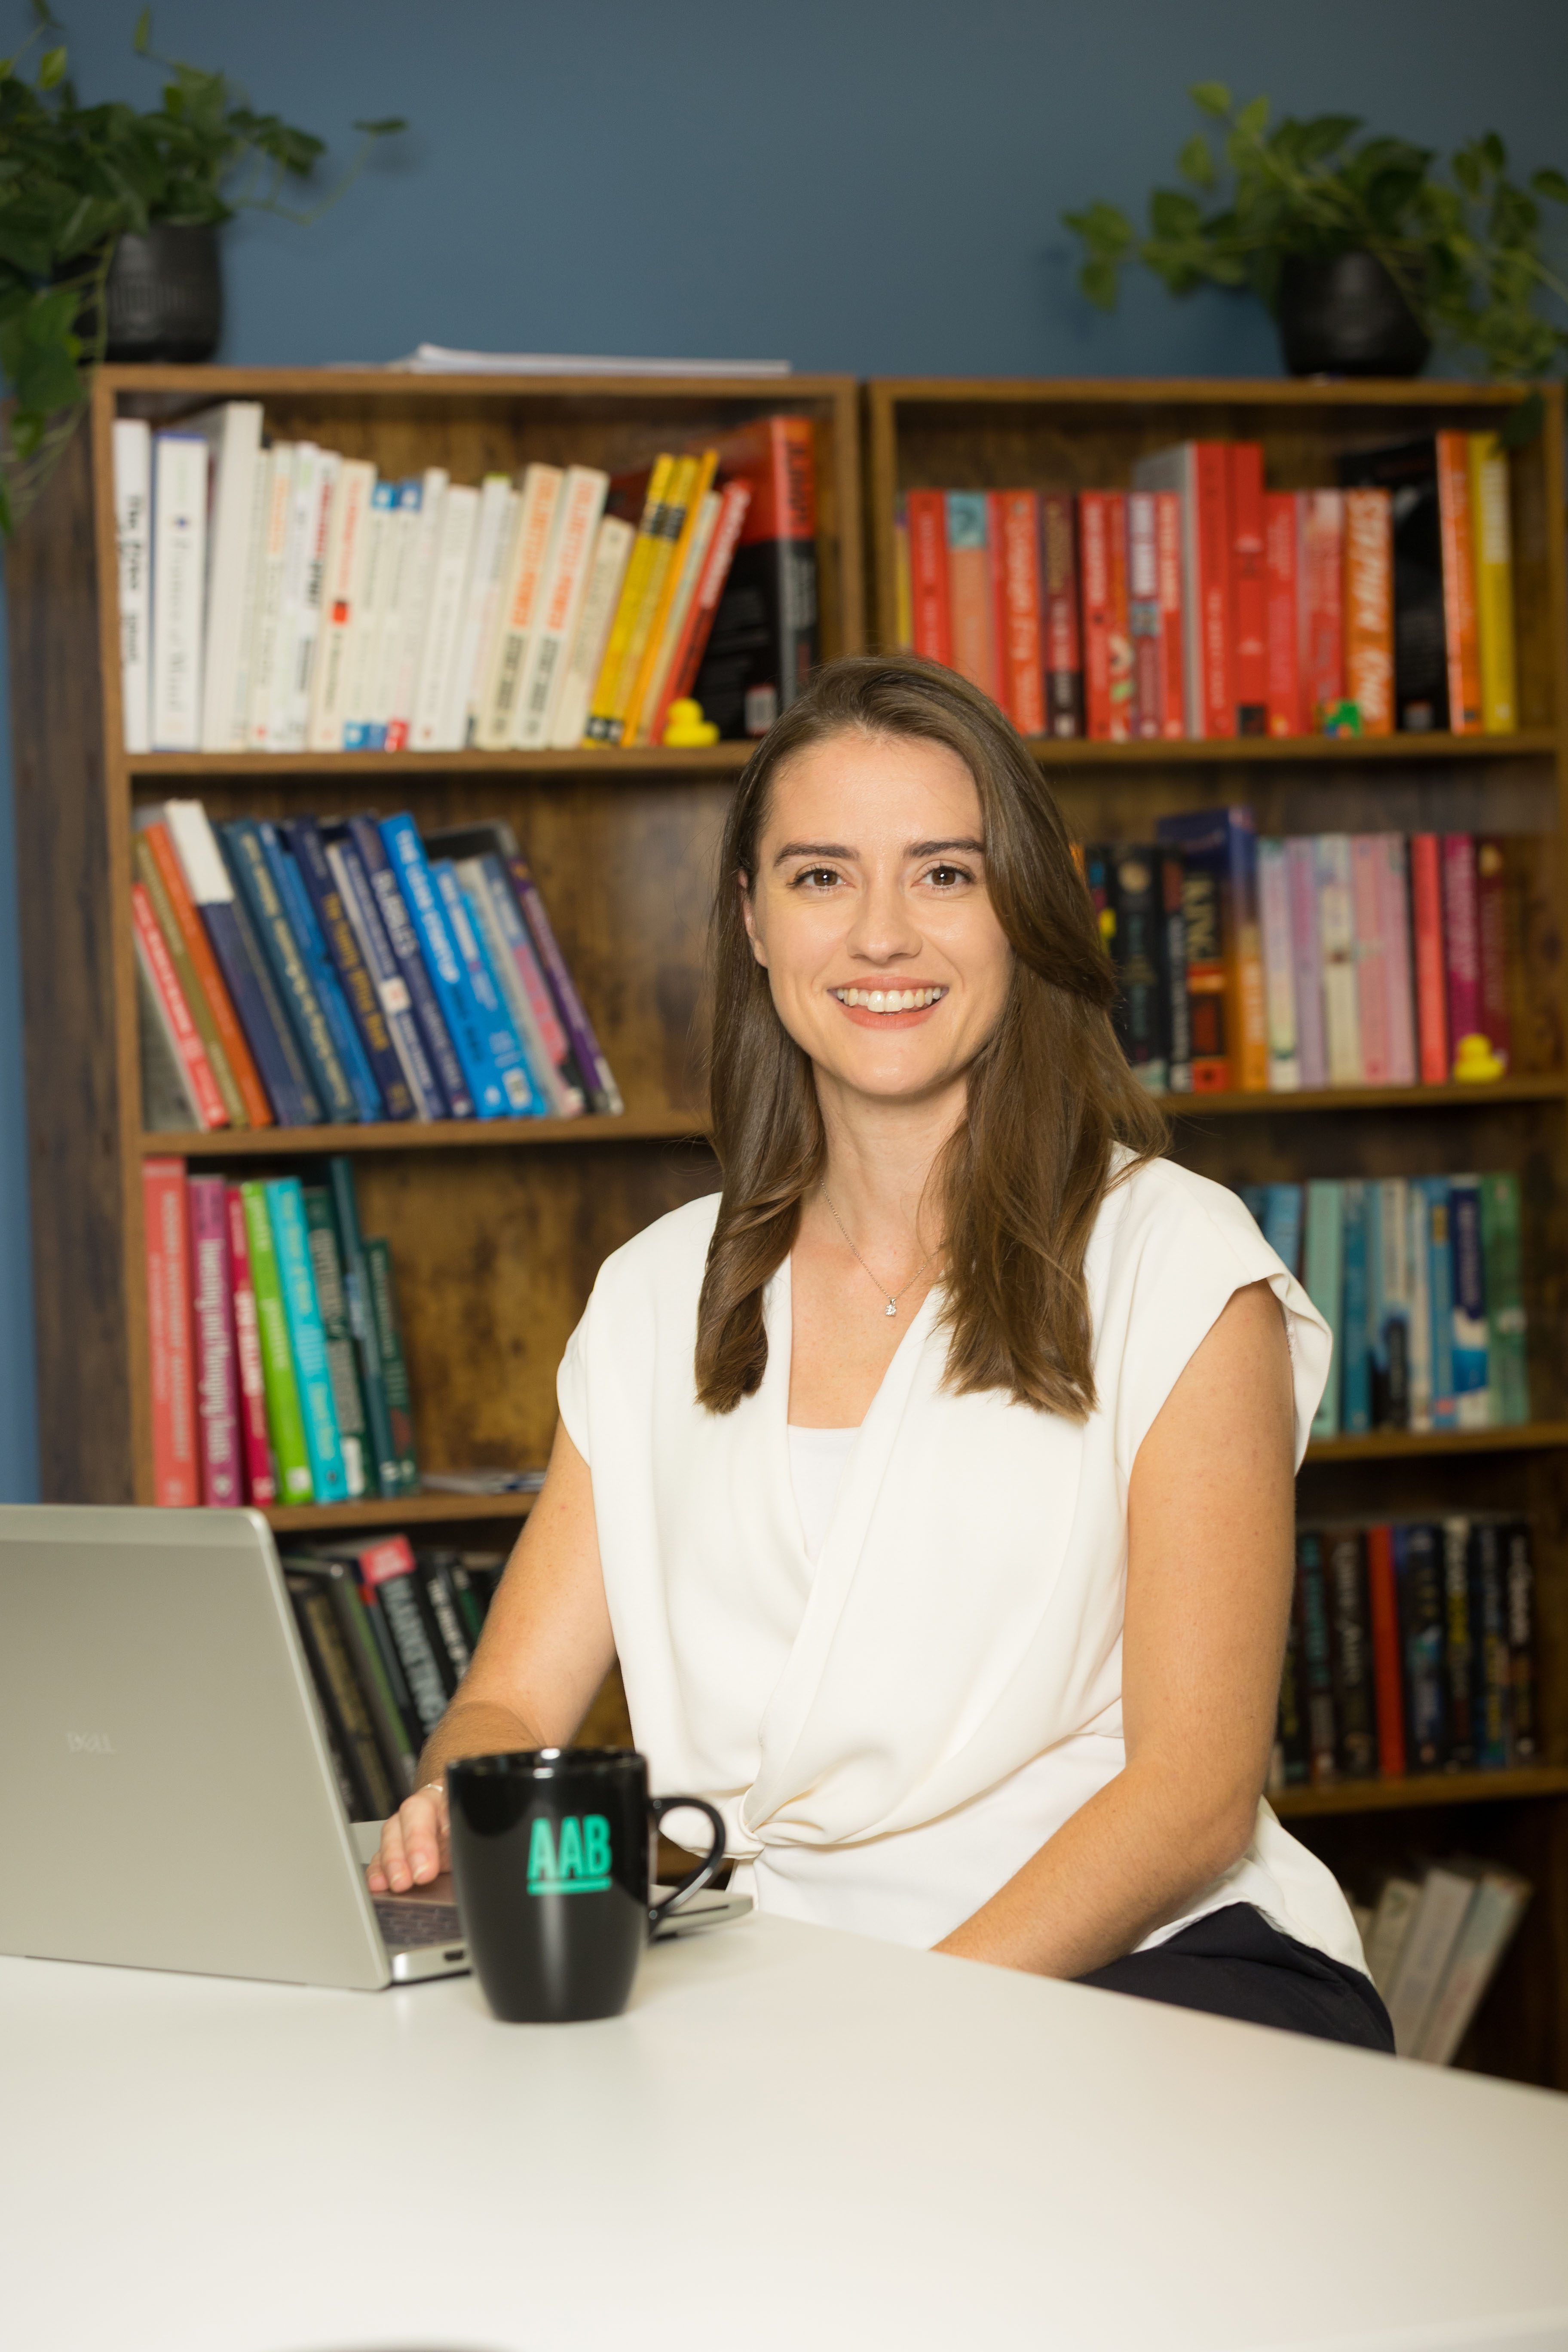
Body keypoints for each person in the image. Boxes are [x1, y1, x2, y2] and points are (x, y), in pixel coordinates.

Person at [372, 653, 1392, 2050]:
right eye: (820, 876)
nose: (882, 937)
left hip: (1140, 1976)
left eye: (945, 874)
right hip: (762, 1988)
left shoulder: (1179, 1262)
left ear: (1021, 908)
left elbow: (1193, 1798)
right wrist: (463, 1804)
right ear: (753, 920)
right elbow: (505, 1699)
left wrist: (884, 2038)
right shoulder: (656, 1293)